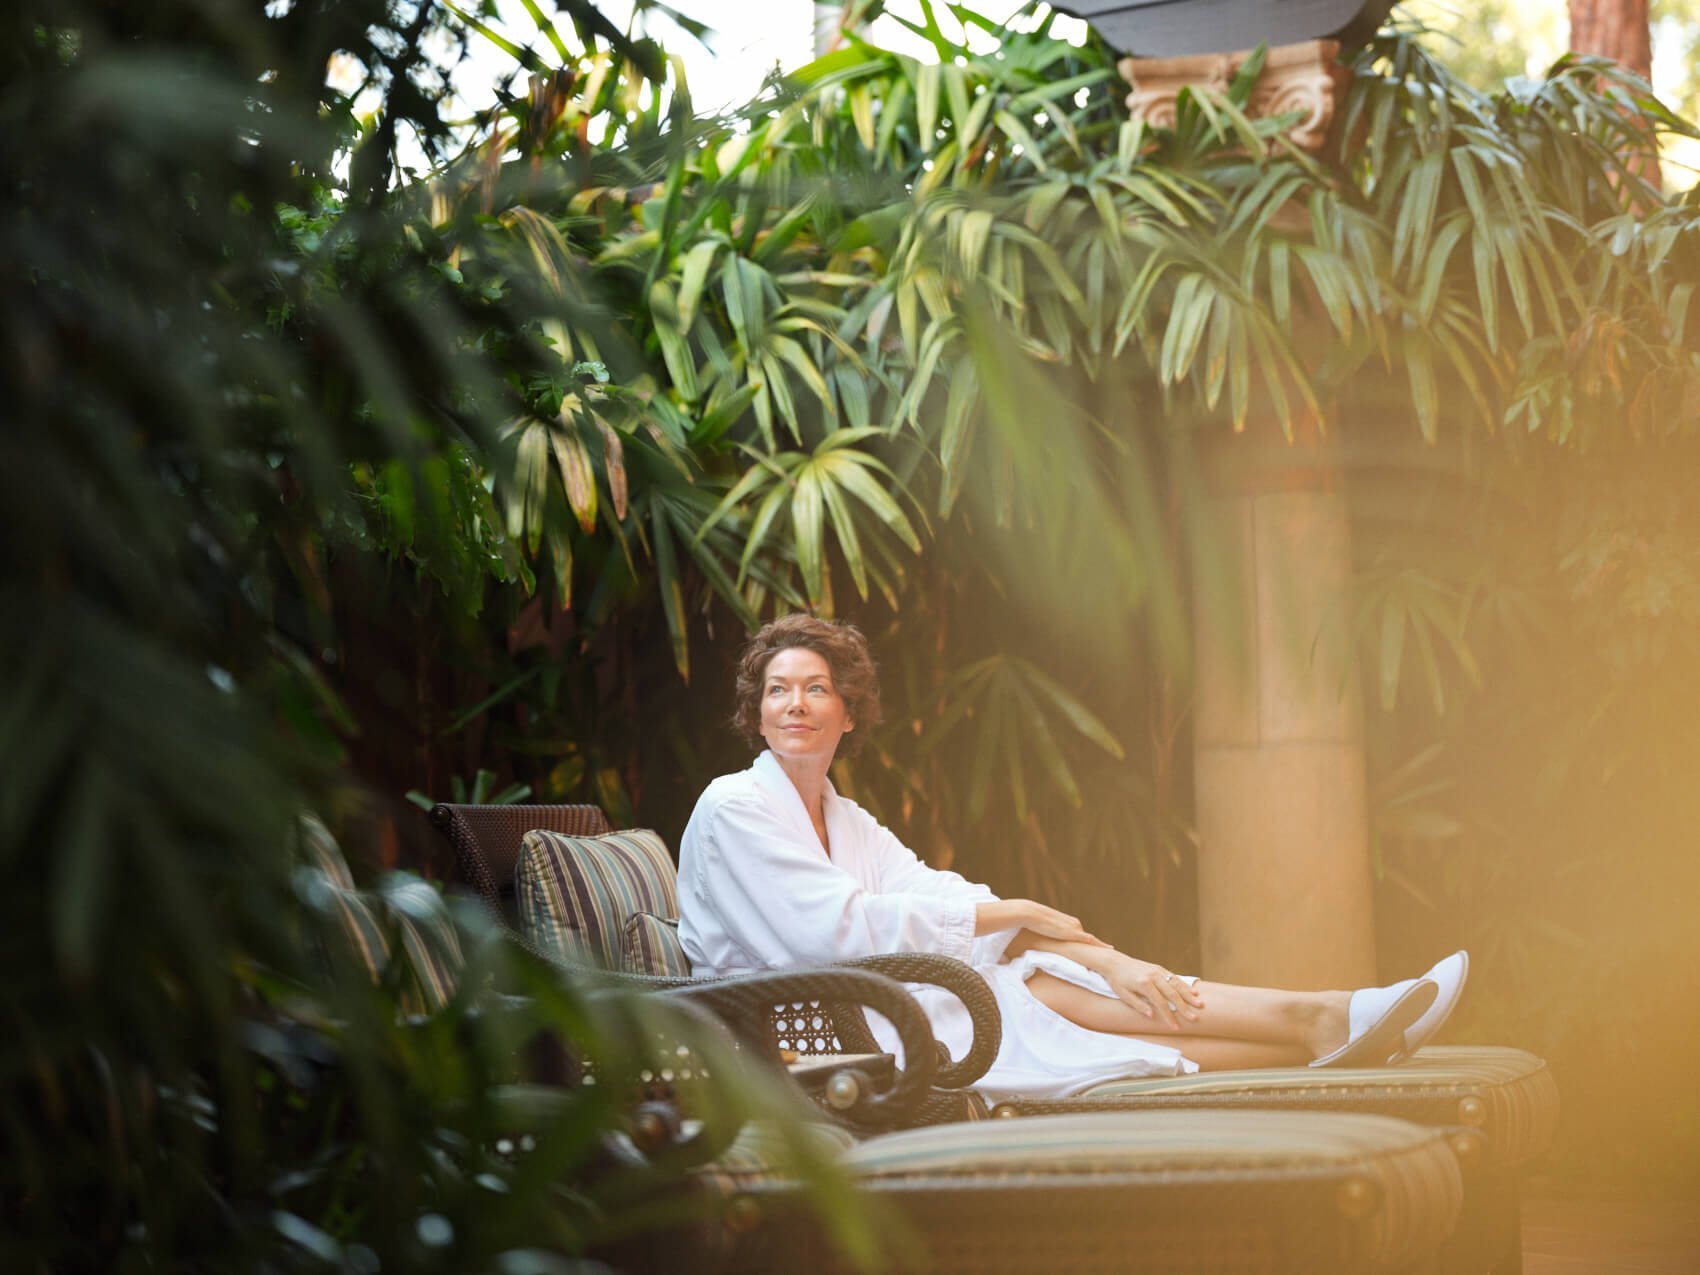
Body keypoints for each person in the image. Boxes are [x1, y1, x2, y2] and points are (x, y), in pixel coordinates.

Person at [676, 614, 1468, 1105]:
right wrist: (1027, 916)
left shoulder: (843, 816)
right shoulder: (735, 809)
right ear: (757, 710)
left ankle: (1314, 1029)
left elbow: (933, 892)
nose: (797, 705)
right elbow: (841, 931)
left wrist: (1097, 952)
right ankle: (1314, 1017)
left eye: (816, 689)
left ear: (848, 710)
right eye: (779, 690)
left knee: (1044, 980)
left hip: (878, 1004)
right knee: (1034, 986)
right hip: (804, 1033)